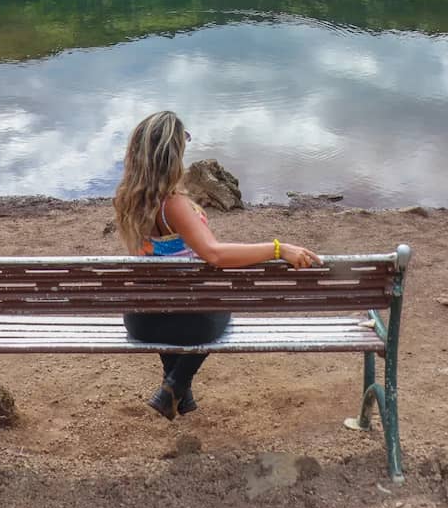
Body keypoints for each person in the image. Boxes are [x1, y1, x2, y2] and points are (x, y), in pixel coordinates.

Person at [114, 110, 320, 420]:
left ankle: (176, 391)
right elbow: (215, 254)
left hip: (141, 321)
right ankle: (176, 384)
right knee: (220, 307)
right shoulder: (173, 205)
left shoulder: (129, 200)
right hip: (184, 321)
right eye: (184, 140)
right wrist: (278, 249)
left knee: (175, 307)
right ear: (173, 153)